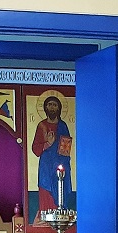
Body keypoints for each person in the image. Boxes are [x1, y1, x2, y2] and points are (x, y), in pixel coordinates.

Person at [30, 93, 73, 221]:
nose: (52, 107)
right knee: (45, 188)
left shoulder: (63, 126)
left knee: (61, 187)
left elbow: (66, 147)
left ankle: (60, 217)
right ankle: (46, 217)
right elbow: (35, 149)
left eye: (55, 105)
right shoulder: (42, 126)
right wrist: (48, 143)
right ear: (45, 108)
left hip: (60, 163)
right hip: (46, 164)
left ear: (59, 108)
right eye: (49, 105)